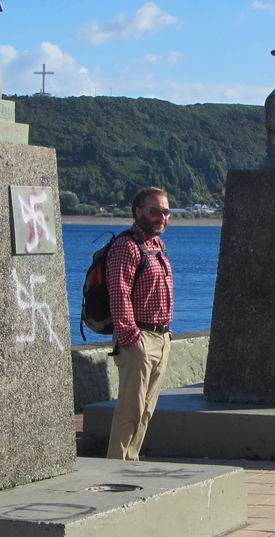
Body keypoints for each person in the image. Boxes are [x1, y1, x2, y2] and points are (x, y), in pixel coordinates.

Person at [106, 186, 174, 460]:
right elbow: (119, 292)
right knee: (130, 409)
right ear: (138, 212)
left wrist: (167, 335)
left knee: (146, 409)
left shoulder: (157, 245)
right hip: (139, 339)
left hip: (161, 337)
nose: (162, 217)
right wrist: (130, 337)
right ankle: (116, 466)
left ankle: (130, 461)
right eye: (155, 210)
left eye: (166, 211)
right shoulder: (126, 246)